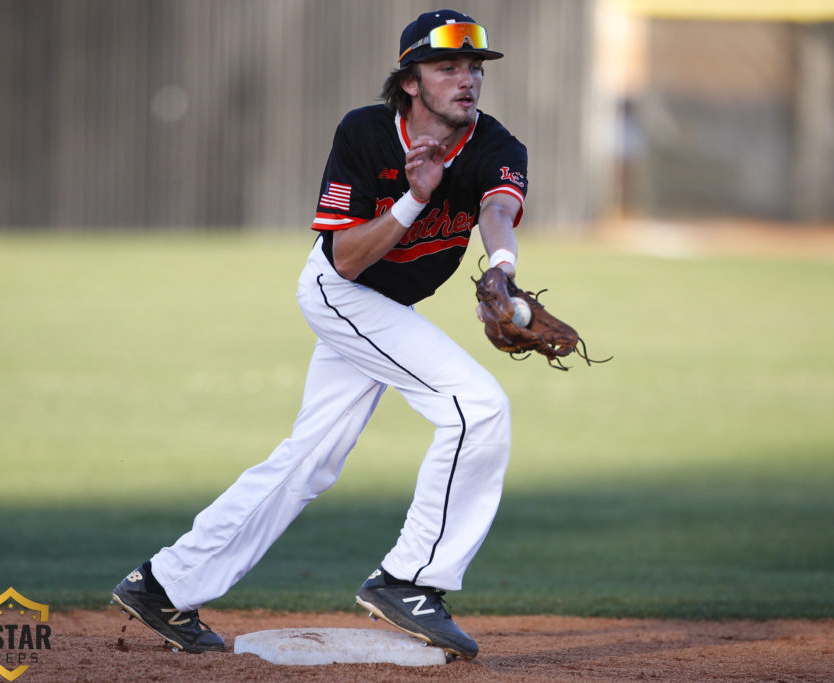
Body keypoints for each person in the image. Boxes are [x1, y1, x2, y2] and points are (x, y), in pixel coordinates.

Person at [112, 9, 527, 661]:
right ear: (411, 79)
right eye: (448, 66)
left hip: (388, 306)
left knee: (309, 457)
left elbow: (499, 210)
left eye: (475, 66)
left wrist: (503, 270)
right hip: (343, 293)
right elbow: (347, 261)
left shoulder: (494, 144)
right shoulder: (366, 133)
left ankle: (164, 582)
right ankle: (410, 579)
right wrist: (412, 200)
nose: (467, 78)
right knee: (477, 407)